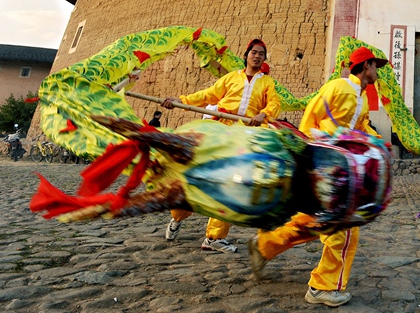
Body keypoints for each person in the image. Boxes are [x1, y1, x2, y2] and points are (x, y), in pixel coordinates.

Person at [248, 45, 386, 307]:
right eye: (375, 66)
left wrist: (376, 142)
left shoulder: (363, 97)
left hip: (343, 169)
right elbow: (309, 121)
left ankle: (265, 244)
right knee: (343, 228)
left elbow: (360, 127)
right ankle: (322, 286)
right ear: (366, 66)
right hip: (326, 166)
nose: (378, 71)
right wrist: (321, 148)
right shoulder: (338, 87)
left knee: (316, 221)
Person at [161, 38, 281, 252]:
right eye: (254, 52)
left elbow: (274, 103)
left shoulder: (267, 83)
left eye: (261, 53)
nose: (257, 56)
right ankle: (177, 216)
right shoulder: (231, 78)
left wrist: (263, 113)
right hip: (221, 130)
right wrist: (181, 101)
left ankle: (214, 237)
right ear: (246, 55)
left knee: (230, 184)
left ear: (264, 59)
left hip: (244, 135)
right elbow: (208, 95)